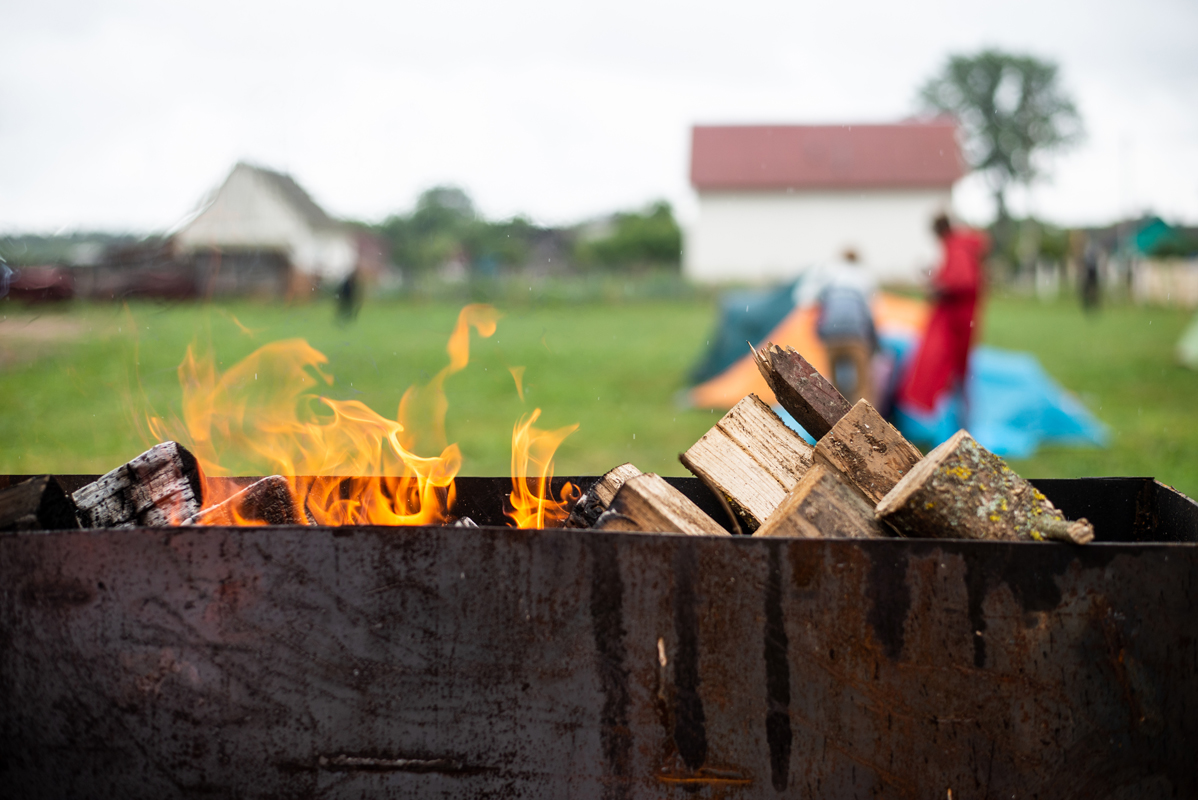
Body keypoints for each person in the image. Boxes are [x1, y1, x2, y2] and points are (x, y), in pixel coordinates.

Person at [896, 214, 988, 418]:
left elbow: (962, 281)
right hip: (963, 320)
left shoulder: (954, 246)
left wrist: (937, 290)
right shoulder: (961, 246)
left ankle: (958, 422)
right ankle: (957, 421)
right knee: (958, 374)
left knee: (944, 369)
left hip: (955, 323)